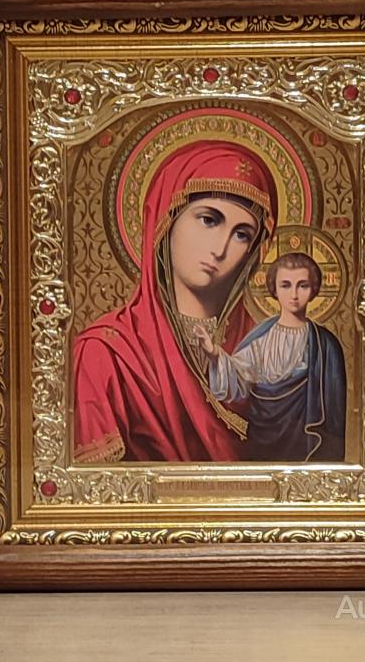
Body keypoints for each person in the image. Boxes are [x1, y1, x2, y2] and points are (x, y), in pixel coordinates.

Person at [73, 139, 278, 463]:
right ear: (165, 221)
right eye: (208, 220)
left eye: (242, 235)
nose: (220, 249)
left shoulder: (266, 349)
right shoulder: (107, 353)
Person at [196, 252, 346, 461]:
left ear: (313, 289)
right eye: (285, 285)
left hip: (305, 444)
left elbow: (334, 412)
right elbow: (239, 376)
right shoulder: (261, 339)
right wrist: (214, 353)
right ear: (274, 289)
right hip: (261, 440)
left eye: (302, 285)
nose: (294, 294)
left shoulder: (326, 345)